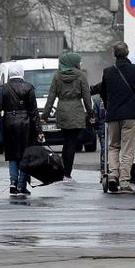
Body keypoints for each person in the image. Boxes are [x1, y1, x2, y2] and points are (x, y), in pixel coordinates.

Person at [98, 42, 135, 193]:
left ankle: (113, 175)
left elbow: (103, 92)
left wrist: (108, 105)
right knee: (127, 149)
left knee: (113, 146)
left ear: (114, 54)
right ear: (127, 53)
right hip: (130, 115)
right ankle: (124, 181)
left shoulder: (108, 71)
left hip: (113, 114)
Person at [0, 62, 44, 195]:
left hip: (8, 123)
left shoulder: (3, 88)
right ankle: (21, 185)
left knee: (12, 155)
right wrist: (39, 131)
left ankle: (13, 183)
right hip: (26, 125)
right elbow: (34, 112)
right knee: (26, 155)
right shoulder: (28, 88)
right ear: (21, 73)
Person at [43, 52, 94, 181]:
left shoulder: (57, 76)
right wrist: (91, 113)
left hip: (62, 110)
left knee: (66, 142)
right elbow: (87, 97)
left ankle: (63, 171)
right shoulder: (80, 75)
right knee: (71, 143)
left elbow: (51, 96)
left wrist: (45, 115)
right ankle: (67, 173)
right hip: (76, 110)